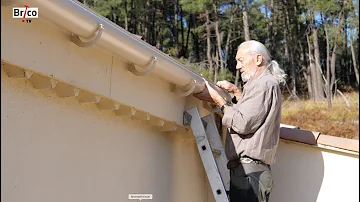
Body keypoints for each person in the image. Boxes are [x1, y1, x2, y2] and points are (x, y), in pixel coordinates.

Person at [202, 40, 286, 202]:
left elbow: (243, 123)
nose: (237, 67)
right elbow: (252, 113)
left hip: (248, 172)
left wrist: (220, 101)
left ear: (258, 59)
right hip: (248, 171)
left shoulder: (263, 84)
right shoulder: (263, 84)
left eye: (241, 60)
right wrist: (236, 92)